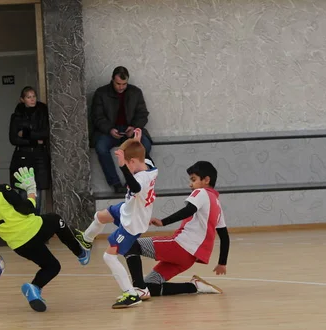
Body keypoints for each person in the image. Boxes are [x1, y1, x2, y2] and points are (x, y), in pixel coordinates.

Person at [0, 152, 91, 312]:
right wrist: (31, 191)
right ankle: (81, 253)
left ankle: (34, 289)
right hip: (33, 230)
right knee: (55, 220)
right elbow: (27, 209)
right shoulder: (2, 189)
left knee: (52, 266)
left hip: (18, 245)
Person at [77, 130, 158, 308]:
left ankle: (131, 294)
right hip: (127, 209)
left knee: (109, 256)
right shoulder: (150, 166)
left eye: (126, 164)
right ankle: (86, 240)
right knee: (100, 216)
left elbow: (135, 187)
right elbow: (142, 154)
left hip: (132, 223)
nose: (124, 167)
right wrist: (137, 142)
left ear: (133, 162)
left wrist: (122, 166)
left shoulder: (141, 178)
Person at [124, 161, 229, 296]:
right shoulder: (217, 204)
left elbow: (189, 210)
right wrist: (222, 263)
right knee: (151, 285)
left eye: (193, 179)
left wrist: (163, 222)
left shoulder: (201, 192)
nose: (190, 184)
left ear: (206, 180)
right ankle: (193, 287)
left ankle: (138, 288)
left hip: (180, 247)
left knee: (129, 244)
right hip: (189, 258)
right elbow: (225, 237)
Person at [91, 66, 153, 193]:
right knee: (101, 147)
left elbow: (143, 114)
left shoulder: (135, 92)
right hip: (108, 131)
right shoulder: (101, 93)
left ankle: (133, 181)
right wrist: (109, 129)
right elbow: (96, 117)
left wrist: (134, 127)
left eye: (124, 84)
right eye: (118, 84)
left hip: (130, 130)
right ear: (112, 80)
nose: (121, 87)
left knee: (145, 145)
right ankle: (115, 183)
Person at [9, 86, 51, 214]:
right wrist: (34, 139)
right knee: (23, 188)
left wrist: (26, 134)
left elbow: (45, 133)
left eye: (34, 96)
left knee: (37, 188)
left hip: (39, 155)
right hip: (23, 155)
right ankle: (25, 218)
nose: (32, 99)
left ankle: (36, 218)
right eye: (28, 97)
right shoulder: (17, 116)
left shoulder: (43, 112)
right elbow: (13, 138)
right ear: (22, 99)